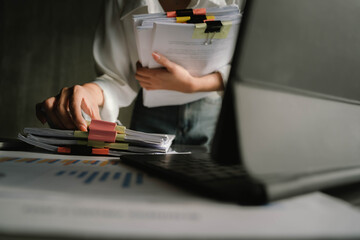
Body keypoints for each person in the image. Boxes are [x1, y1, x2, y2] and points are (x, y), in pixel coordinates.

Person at [36, 0, 244, 146]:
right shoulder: (120, 2)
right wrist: (88, 93)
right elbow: (116, 77)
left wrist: (194, 85)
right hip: (150, 115)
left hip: (214, 113)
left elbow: (249, 63)